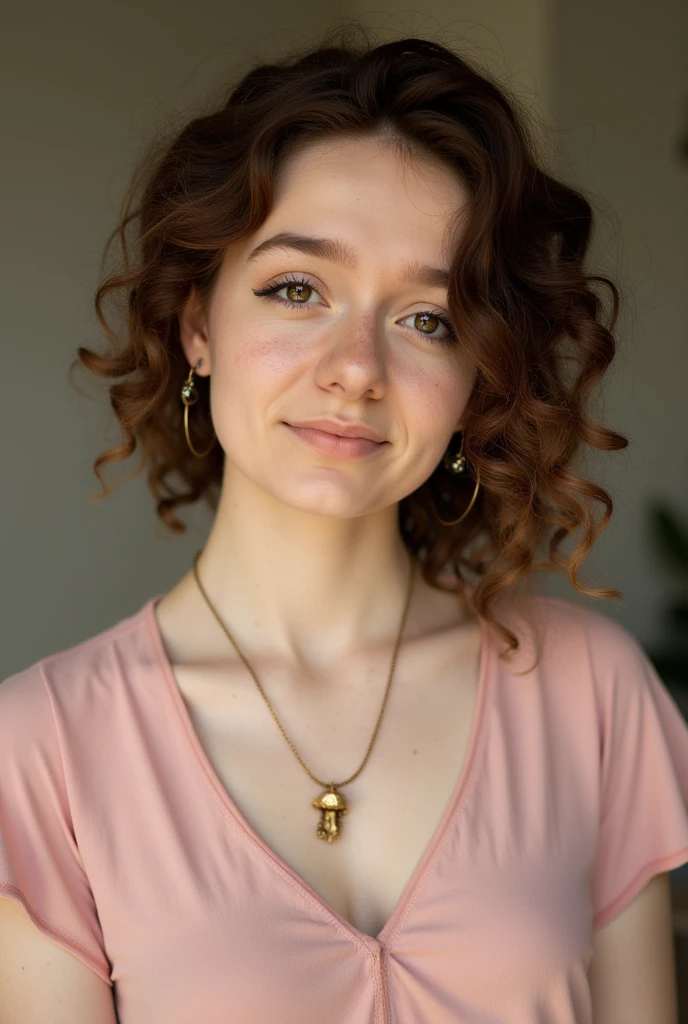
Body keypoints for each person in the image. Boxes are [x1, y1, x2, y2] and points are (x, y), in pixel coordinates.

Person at [1, 24, 687, 1024]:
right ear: (198, 323)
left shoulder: (590, 693)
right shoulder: (40, 749)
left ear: (476, 374)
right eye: (296, 289)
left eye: (428, 317)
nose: (356, 365)